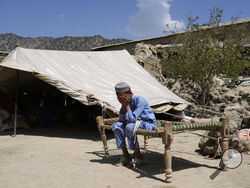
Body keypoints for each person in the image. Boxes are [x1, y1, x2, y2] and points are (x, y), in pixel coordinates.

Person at [111, 82, 156, 166]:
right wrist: (124, 106)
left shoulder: (140, 100)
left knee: (129, 127)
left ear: (130, 93)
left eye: (124, 97)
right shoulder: (124, 102)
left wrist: (127, 105)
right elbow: (121, 119)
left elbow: (132, 120)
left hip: (146, 123)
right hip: (133, 123)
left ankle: (139, 156)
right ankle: (126, 156)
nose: (122, 100)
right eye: (119, 98)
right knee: (116, 126)